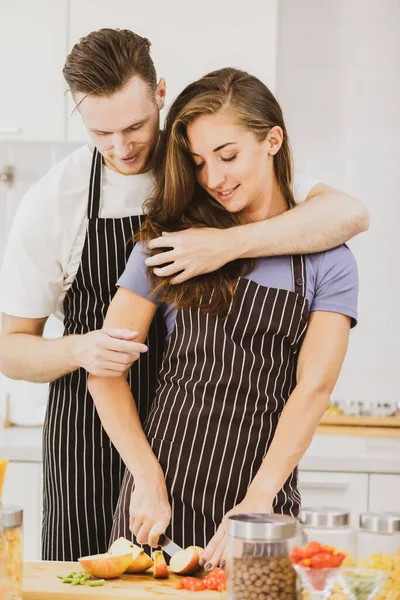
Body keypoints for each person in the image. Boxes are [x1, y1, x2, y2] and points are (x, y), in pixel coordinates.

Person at [0, 29, 366, 562]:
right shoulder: (63, 205)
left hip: (245, 473)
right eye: (101, 132)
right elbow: (14, 347)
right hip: (102, 439)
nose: (121, 147)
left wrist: (221, 246)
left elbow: (347, 216)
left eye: (134, 126)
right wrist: (83, 350)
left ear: (160, 97)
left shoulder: (225, 167)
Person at [87, 67, 359, 571]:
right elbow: (105, 371)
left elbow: (313, 391)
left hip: (262, 498)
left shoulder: (328, 259)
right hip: (158, 501)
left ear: (272, 140)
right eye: (198, 163)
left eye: (228, 156)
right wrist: (145, 478)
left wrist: (258, 502)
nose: (214, 179)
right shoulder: (167, 244)